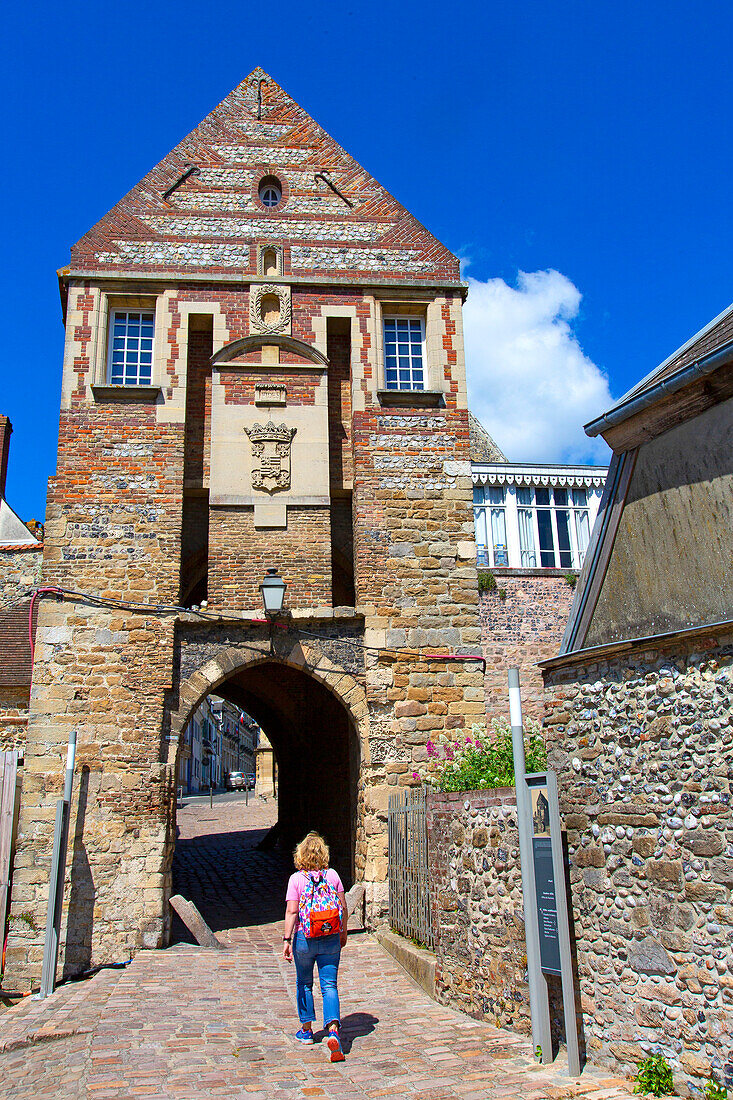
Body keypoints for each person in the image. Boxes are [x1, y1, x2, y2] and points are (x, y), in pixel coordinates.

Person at [282, 832, 348, 1062]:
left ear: (300, 855)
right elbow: (343, 906)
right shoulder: (332, 876)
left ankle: (307, 1030)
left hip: (304, 938)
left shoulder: (296, 880)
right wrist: (343, 932)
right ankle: (332, 1030)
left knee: (304, 983)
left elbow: (291, 912)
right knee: (330, 984)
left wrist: (287, 940)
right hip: (330, 936)